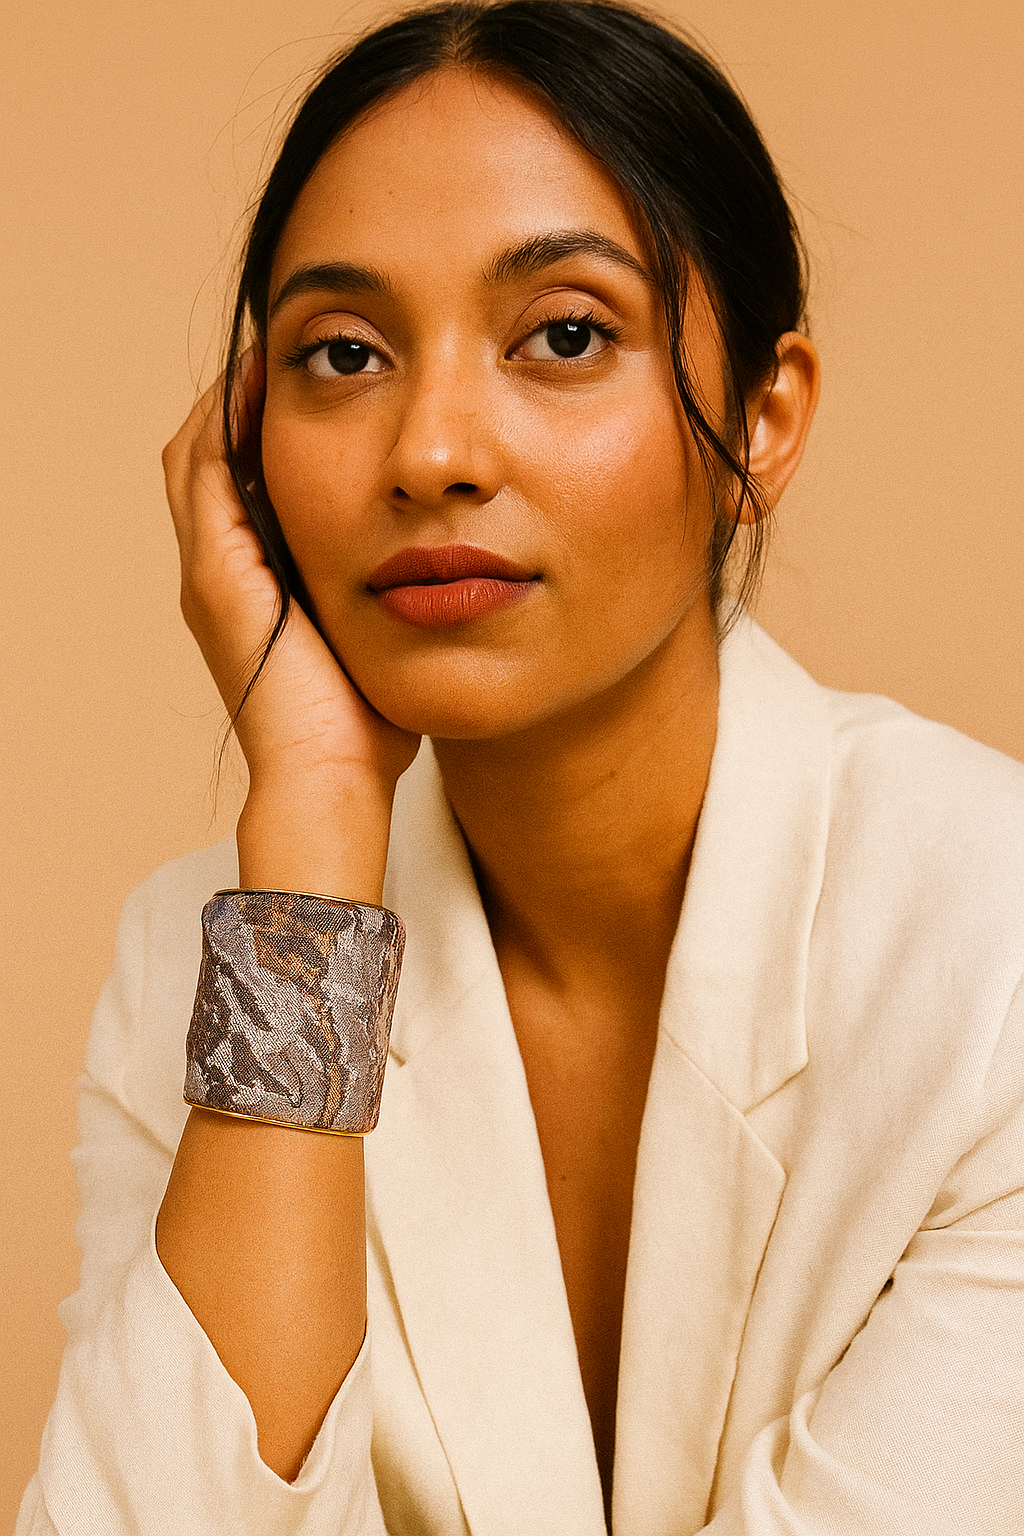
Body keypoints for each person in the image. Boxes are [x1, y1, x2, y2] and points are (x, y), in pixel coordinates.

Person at [17, 1, 1024, 1531]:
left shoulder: (991, 941)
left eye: (565, 334)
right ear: (244, 446)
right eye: (342, 353)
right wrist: (311, 822)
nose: (430, 450)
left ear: (762, 419)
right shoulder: (205, 965)